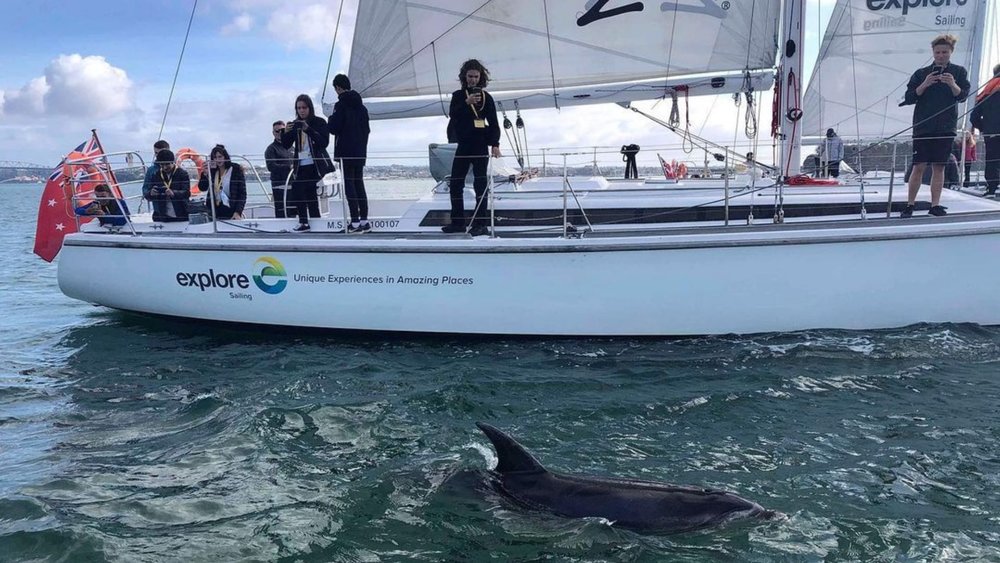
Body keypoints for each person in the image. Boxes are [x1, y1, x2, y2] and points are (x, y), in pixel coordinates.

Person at [898, 34, 970, 218]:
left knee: (940, 167)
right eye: (937, 52)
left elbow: (962, 96)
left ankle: (935, 205)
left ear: (951, 52)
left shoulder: (959, 72)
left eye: (944, 52)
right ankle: (910, 204)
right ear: (933, 53)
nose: (941, 55)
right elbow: (909, 97)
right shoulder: (921, 73)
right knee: (919, 166)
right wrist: (924, 84)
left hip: (946, 127)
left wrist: (953, 84)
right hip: (923, 127)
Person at [443, 59, 502, 236]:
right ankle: (458, 222)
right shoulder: (458, 96)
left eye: (476, 76)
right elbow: (453, 115)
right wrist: (466, 102)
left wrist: (495, 144)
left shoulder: (487, 98)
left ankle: (480, 224)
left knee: (480, 184)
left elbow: (493, 122)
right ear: (464, 77)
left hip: (479, 145)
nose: (473, 80)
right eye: (470, 76)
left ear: (481, 77)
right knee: (455, 184)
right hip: (463, 145)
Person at [281, 94, 332, 232]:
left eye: (304, 107)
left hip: (316, 165)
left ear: (309, 108)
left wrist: (308, 129)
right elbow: (286, 145)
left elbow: (324, 142)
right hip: (301, 165)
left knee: (298, 188)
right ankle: (315, 220)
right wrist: (285, 132)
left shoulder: (319, 122)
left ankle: (304, 222)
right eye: (298, 108)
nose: (301, 111)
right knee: (309, 193)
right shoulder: (295, 124)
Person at [327, 73, 372, 234]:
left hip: (345, 151)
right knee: (359, 184)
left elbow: (334, 128)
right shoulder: (362, 108)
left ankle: (354, 222)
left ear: (338, 88)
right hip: (360, 151)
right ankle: (364, 221)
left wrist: (330, 119)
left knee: (349, 185)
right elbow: (367, 130)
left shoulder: (341, 105)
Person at [971, 64, 1000, 197]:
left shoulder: (987, 90)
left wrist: (985, 128)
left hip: (992, 133)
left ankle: (992, 189)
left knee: (992, 160)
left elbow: (974, 117)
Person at [198, 144, 246, 220]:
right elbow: (202, 188)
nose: (218, 160)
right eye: (215, 158)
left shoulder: (236, 169)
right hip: (215, 210)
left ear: (225, 157)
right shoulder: (212, 170)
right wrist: (205, 175)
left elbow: (242, 194)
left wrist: (238, 212)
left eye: (220, 157)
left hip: (231, 208)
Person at [147, 149, 191, 222]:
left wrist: (174, 193)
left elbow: (187, 193)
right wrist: (151, 193)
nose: (164, 167)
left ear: (172, 162)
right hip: (163, 215)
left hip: (181, 213)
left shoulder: (182, 174)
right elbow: (147, 194)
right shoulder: (156, 175)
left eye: (167, 164)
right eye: (162, 165)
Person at [265, 121, 295, 218]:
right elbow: (271, 166)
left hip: (293, 183)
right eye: (277, 131)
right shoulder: (271, 149)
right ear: (273, 133)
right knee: (282, 212)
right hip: (279, 185)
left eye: (282, 130)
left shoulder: (292, 147)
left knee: (294, 210)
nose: (279, 133)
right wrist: (289, 167)